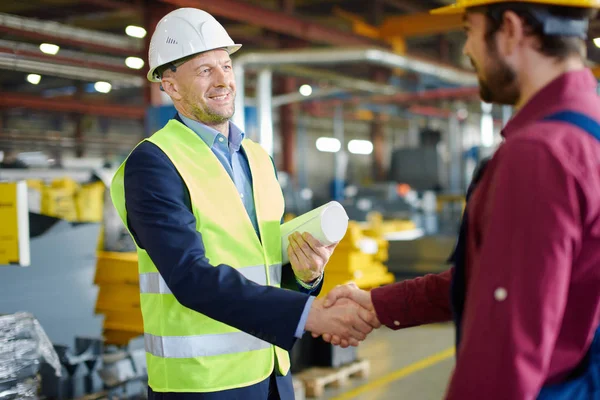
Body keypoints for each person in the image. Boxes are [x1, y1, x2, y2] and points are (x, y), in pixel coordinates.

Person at [322, 0, 600, 399]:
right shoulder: (587, 129)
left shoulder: (539, 155)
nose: (467, 49)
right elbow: (506, 278)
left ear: (509, 29)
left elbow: (505, 353)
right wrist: (379, 304)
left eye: (468, 30)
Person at [109, 7, 379, 400]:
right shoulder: (154, 164)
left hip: (271, 373)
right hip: (202, 385)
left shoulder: (257, 158)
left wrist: (305, 278)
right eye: (204, 70)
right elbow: (190, 278)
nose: (223, 80)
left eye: (226, 65)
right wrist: (310, 315)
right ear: (170, 86)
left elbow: (265, 267)